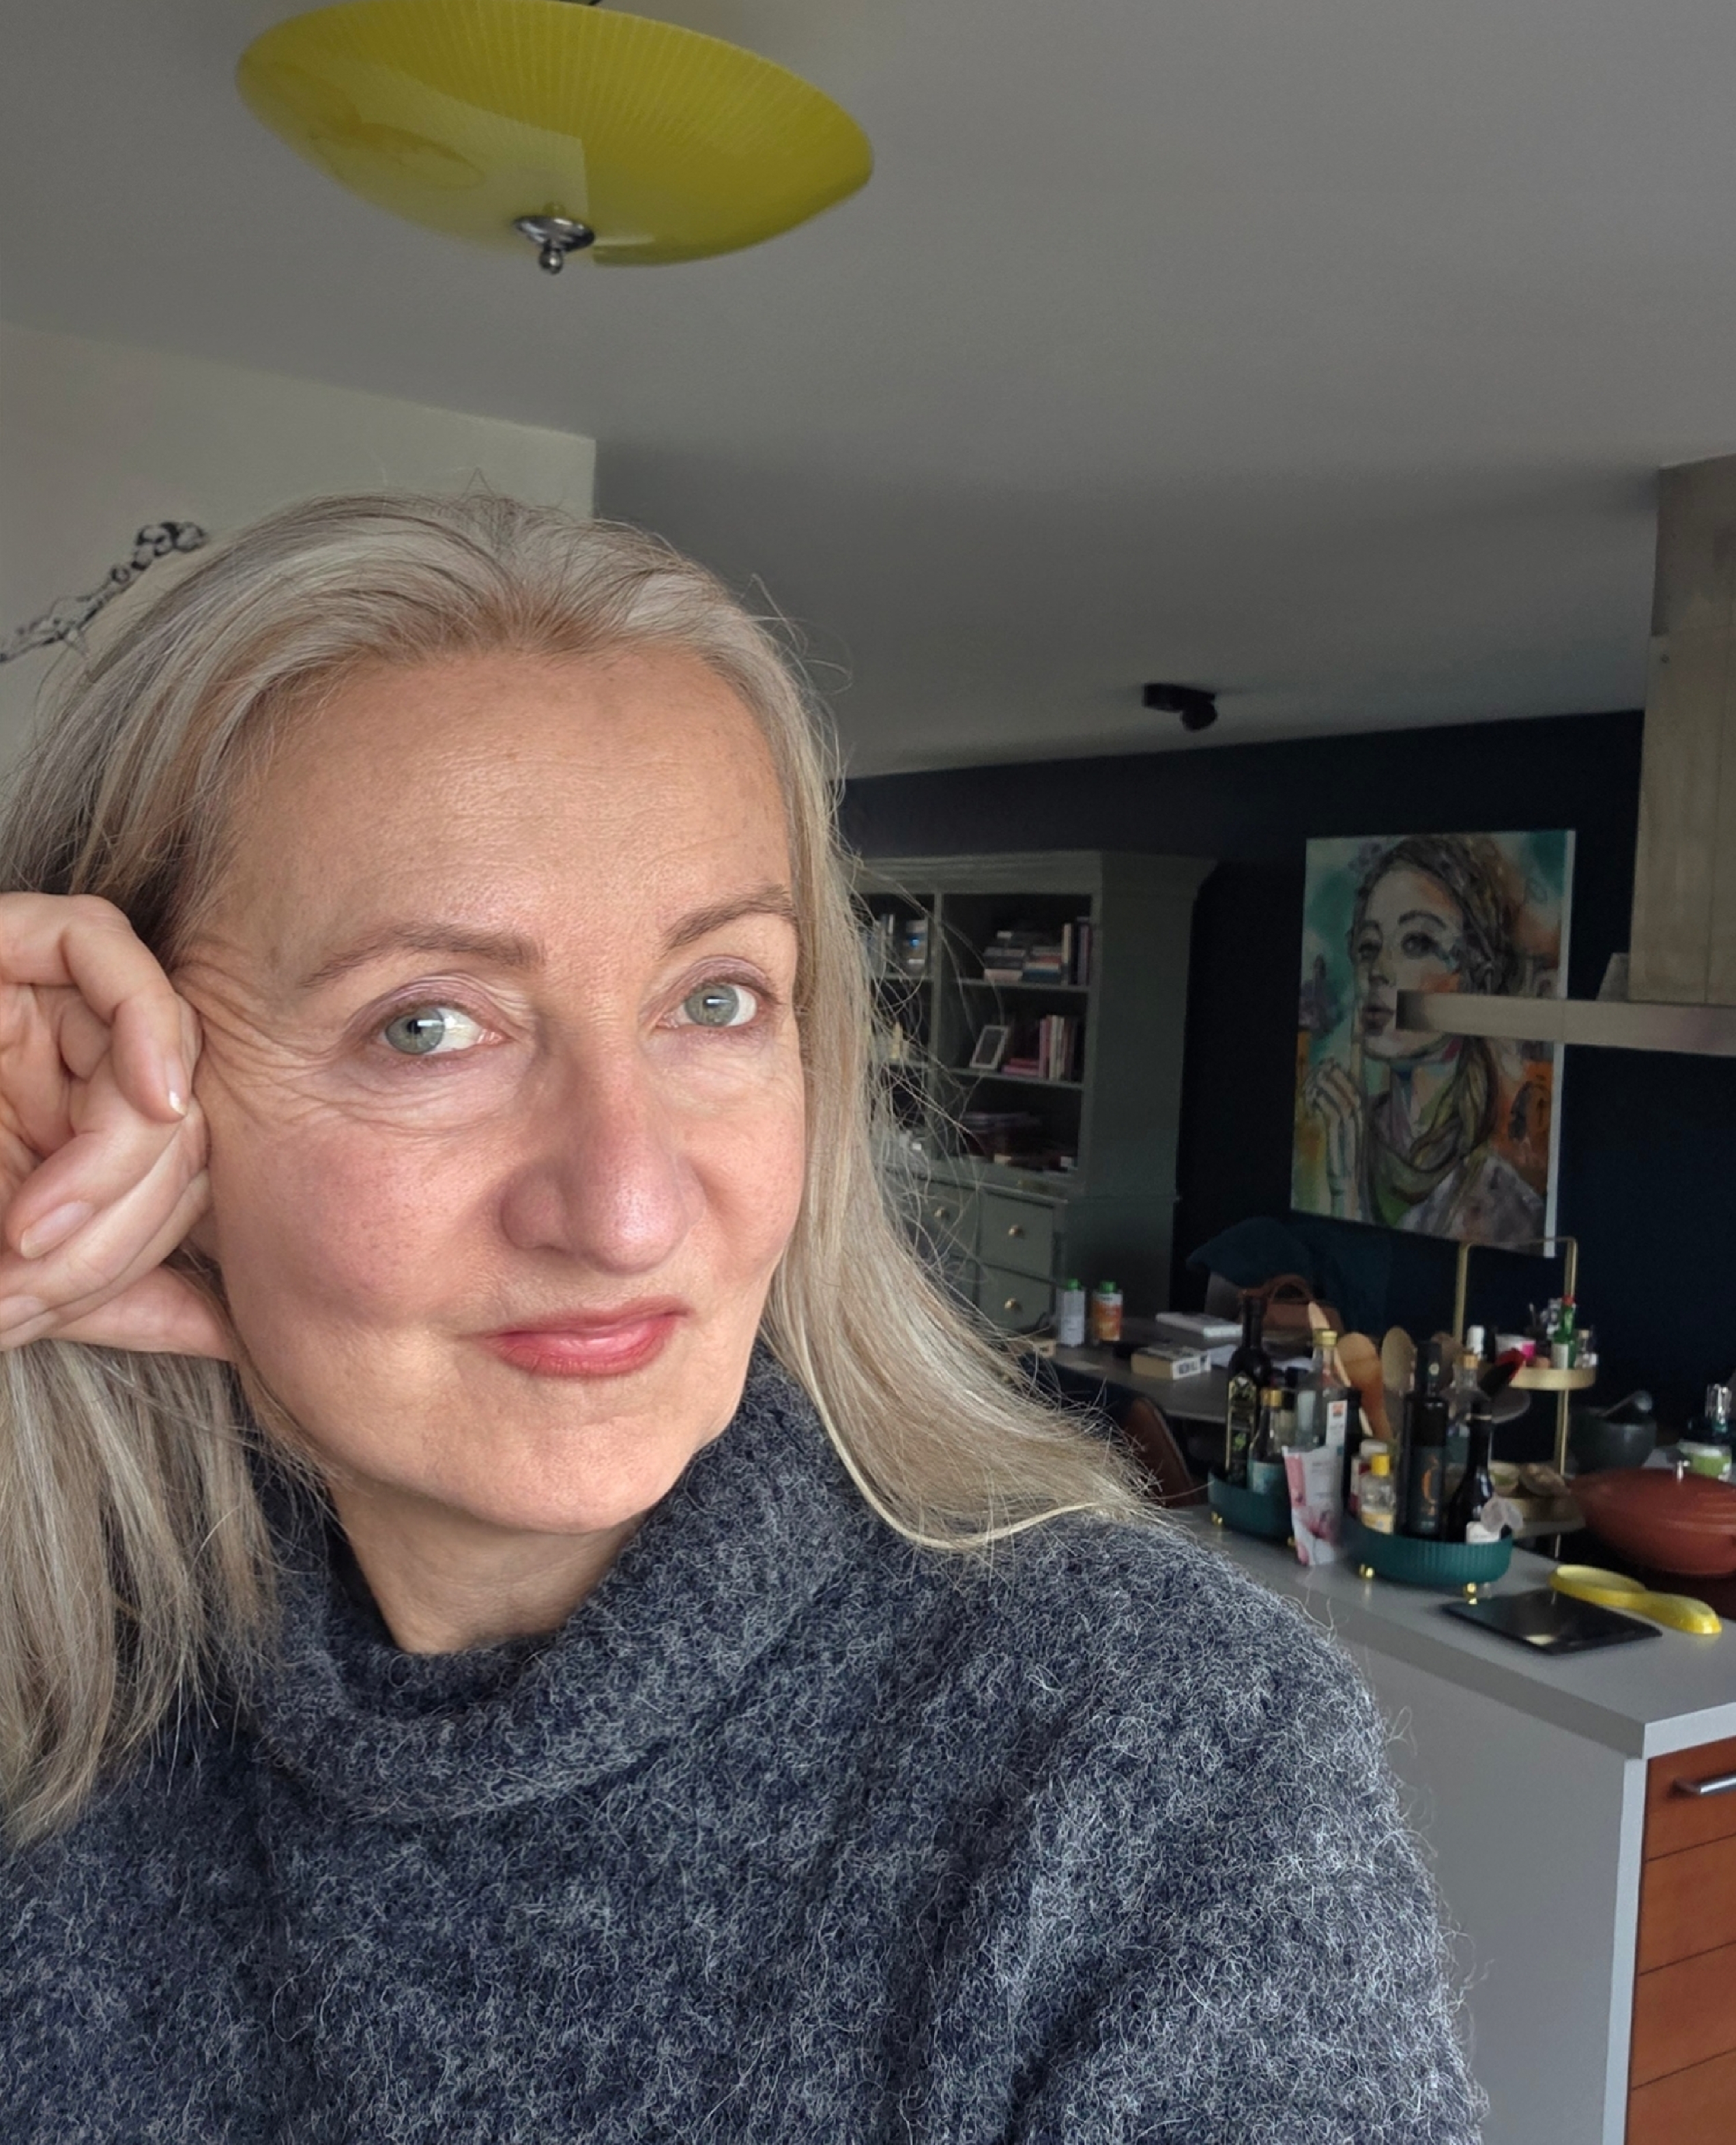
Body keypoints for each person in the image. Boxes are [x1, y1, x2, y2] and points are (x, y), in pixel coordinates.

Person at [0, 494, 1479, 2142]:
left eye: (715, 1000)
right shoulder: (60, 1700)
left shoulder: (1151, 1763)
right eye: (427, 1025)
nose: (628, 1207)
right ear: (120, 1085)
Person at [1303, 832, 1546, 1248]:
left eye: (1416, 942)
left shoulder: (1504, 1203)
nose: (1378, 970)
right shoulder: (1332, 1132)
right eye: (1368, 946)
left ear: (1477, 982)